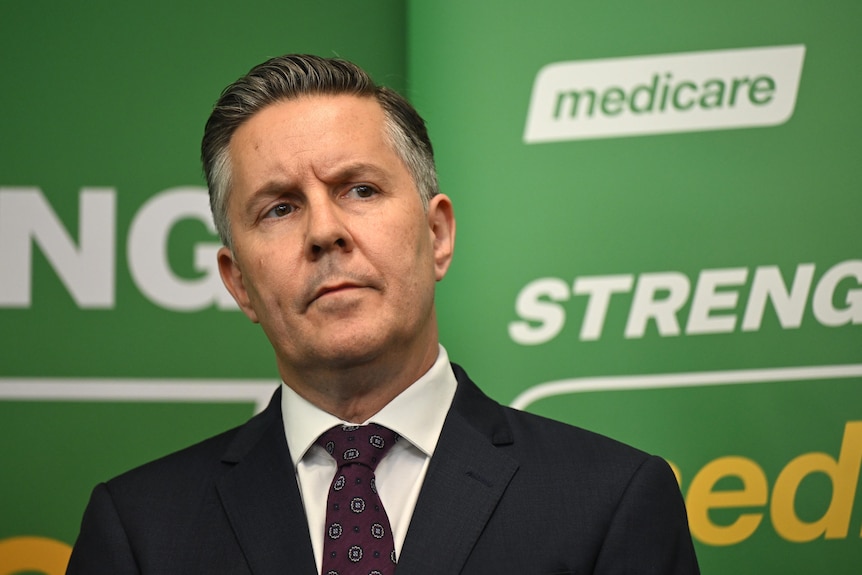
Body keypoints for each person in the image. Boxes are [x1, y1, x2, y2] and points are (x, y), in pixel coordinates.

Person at [66, 54, 699, 574]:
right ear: (238, 283)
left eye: (359, 190)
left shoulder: (612, 501)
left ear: (438, 233)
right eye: (280, 208)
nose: (324, 231)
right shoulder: (139, 532)